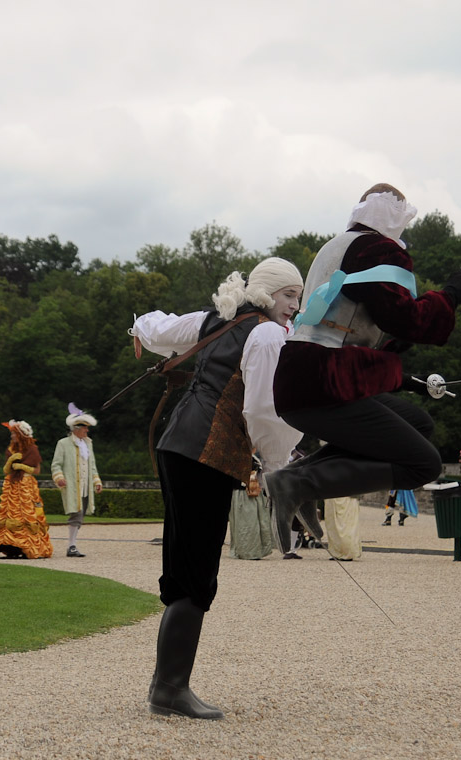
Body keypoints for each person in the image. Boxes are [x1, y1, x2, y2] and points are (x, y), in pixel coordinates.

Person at [129, 257, 305, 720]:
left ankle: (168, 686)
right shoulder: (266, 334)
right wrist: (276, 466)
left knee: (187, 563)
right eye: (289, 295)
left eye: (299, 297)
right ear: (267, 294)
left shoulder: (220, 319)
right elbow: (265, 410)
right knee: (196, 568)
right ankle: (169, 689)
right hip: (202, 454)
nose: (295, 306)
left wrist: (140, 331)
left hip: (178, 446)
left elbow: (157, 326)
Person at [263, 183, 461, 553]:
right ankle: (300, 484)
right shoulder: (375, 249)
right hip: (324, 382)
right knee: (424, 465)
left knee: (419, 424)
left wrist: (407, 378)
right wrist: (450, 295)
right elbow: (409, 320)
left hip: (305, 377)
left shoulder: (337, 246)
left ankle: (297, 476)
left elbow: (357, 328)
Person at [0, 420, 53, 559]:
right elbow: (6, 470)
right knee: (9, 515)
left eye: (14, 433)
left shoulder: (32, 449)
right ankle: (10, 545)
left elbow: (37, 470)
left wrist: (22, 467)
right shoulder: (11, 449)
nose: (12, 436)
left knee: (28, 514)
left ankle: (28, 545)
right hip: (12, 485)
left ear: (20, 434)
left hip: (26, 485)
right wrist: (10, 461)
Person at [51, 403, 103, 558]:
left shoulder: (88, 443)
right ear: (76, 429)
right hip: (73, 485)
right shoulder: (63, 443)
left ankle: (72, 544)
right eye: (85, 428)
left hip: (85, 486)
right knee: (76, 514)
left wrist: (96, 481)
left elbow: (92, 464)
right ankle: (71, 546)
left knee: (80, 515)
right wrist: (59, 477)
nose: (87, 430)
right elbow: (56, 464)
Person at [228, 456, 274, 560]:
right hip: (241, 492)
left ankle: (252, 550)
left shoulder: (256, 456)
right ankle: (247, 551)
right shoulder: (242, 455)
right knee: (247, 524)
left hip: (251, 491)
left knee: (253, 523)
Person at [325, 496, 362, 561]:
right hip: (332, 495)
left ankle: (347, 552)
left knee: (346, 523)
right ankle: (336, 552)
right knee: (332, 525)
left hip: (346, 495)